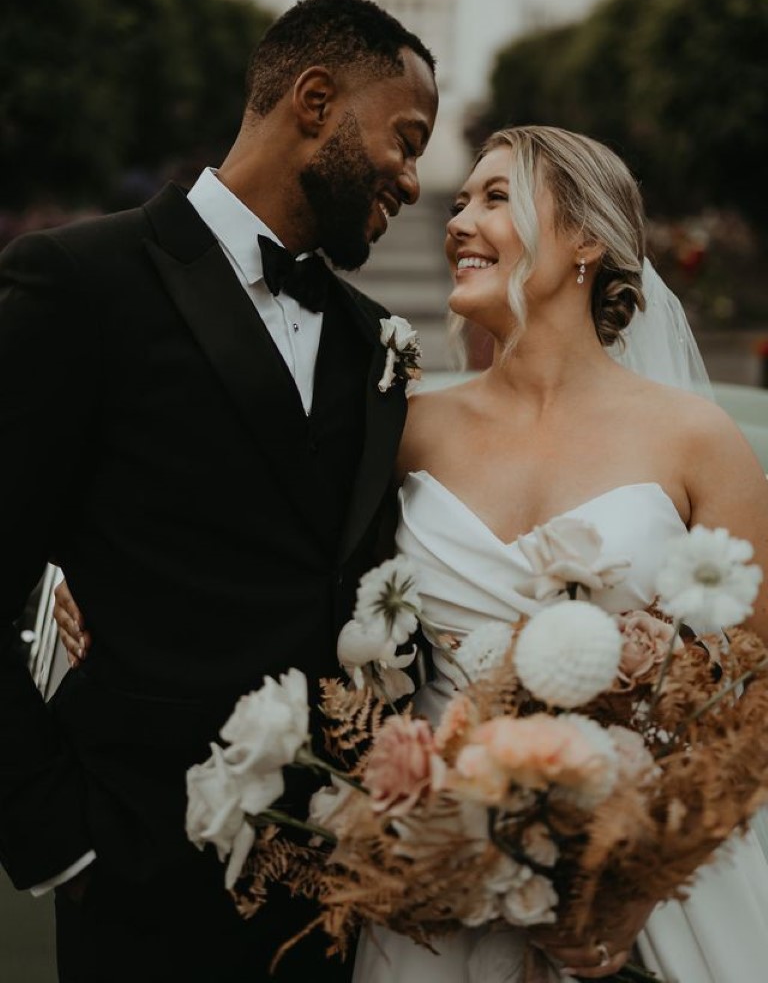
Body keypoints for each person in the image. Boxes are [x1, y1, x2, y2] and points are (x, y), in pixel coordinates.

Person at [55, 126, 768, 981]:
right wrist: (84, 580)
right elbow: (253, 552)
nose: (459, 219)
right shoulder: (405, 427)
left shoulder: (698, 441)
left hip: (642, 893)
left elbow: (752, 702)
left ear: (586, 238)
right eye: (459, 201)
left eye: (495, 198)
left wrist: (634, 890)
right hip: (438, 893)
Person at [0, 0, 438, 983]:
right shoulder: (80, 283)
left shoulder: (379, 341)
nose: (414, 180)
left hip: (338, 894)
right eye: (405, 140)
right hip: (138, 878)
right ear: (316, 101)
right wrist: (56, 838)